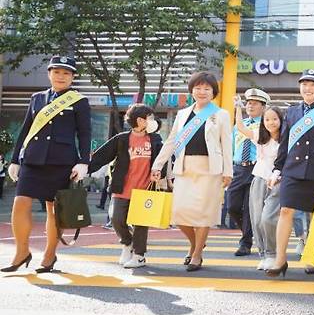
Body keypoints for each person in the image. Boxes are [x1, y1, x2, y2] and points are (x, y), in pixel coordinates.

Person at [2, 56, 90, 273]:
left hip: (61, 163)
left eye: (66, 73)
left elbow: (85, 133)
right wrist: (14, 160)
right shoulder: (37, 98)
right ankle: (22, 252)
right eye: (57, 72)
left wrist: (83, 162)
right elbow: (25, 129)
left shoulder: (79, 101)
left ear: (73, 77)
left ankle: (50, 255)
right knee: (20, 203)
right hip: (33, 160)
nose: (61, 76)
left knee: (53, 210)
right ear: (49, 73)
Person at [151, 72, 232, 272]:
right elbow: (171, 140)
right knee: (178, 214)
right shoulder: (183, 114)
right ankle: (196, 243)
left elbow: (227, 144)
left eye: (206, 88)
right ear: (191, 90)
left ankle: (197, 254)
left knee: (204, 214)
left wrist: (228, 171)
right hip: (184, 168)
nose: (202, 92)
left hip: (210, 169)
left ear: (213, 92)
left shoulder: (221, 114)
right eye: (198, 88)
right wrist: (157, 165)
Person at [265, 69, 314, 277]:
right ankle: (280, 260)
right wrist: (277, 168)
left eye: (313, 85)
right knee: (285, 211)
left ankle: (312, 256)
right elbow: (284, 144)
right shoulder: (292, 112)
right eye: (304, 84)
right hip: (293, 170)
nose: (308, 88)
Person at [89, 104, 163, 268]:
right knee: (116, 220)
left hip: (144, 189)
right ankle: (127, 243)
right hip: (122, 188)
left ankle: (139, 256)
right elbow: (102, 156)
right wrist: (83, 168)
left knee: (140, 224)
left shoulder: (155, 139)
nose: (153, 121)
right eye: (149, 117)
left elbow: (163, 160)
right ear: (140, 120)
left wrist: (160, 173)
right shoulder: (122, 139)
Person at [234, 93, 283, 270]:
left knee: (268, 219)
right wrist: (238, 108)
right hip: (259, 179)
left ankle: (272, 253)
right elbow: (240, 127)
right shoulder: (259, 136)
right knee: (256, 220)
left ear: (280, 120)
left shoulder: (285, 139)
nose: (271, 122)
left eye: (274, 119)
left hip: (277, 182)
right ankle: (264, 254)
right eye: (267, 120)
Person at [227, 88, 267, 256]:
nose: (250, 106)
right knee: (232, 206)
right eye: (249, 103)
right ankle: (248, 232)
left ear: (263, 107)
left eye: (255, 103)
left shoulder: (266, 125)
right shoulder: (239, 125)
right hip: (237, 168)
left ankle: (246, 242)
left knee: (250, 208)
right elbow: (231, 147)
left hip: (255, 169)